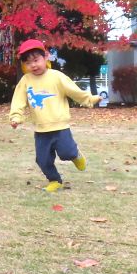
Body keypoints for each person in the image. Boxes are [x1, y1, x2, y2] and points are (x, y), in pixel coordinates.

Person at [9, 39, 100, 193]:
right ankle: (54, 180)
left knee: (67, 153)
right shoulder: (26, 81)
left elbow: (74, 91)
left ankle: (76, 155)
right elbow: (18, 100)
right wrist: (16, 116)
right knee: (42, 160)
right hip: (41, 129)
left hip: (60, 126)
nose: (34, 65)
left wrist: (89, 99)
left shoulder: (57, 76)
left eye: (36, 60)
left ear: (46, 57)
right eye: (29, 63)